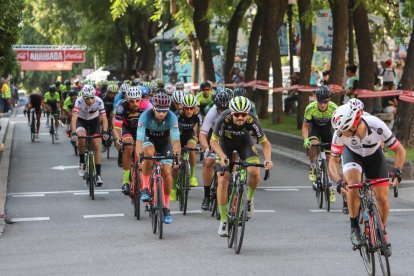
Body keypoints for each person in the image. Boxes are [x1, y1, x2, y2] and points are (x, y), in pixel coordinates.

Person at [329, 103, 406, 253]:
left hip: (374, 156)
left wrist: (397, 171)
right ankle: (354, 228)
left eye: (344, 129)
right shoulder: (339, 134)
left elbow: (400, 150)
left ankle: (381, 232)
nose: (340, 133)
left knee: (383, 199)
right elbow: (333, 161)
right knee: (353, 184)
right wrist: (338, 181)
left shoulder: (376, 125)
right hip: (352, 155)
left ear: (354, 125)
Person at [210, 96, 273, 236]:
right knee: (222, 180)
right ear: (231, 113)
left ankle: (249, 200)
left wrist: (268, 159)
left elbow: (265, 143)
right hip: (225, 145)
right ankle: (224, 221)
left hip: (245, 143)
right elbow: (213, 142)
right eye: (236, 114)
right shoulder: (223, 118)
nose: (240, 117)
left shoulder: (252, 120)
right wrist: (222, 156)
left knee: (254, 171)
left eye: (243, 114)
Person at [135, 92, 181, 224]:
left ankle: (166, 207)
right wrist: (140, 157)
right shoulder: (145, 116)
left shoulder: (172, 117)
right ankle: (145, 187)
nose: (161, 114)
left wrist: (177, 156)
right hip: (149, 138)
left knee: (167, 172)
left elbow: (176, 140)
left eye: (164, 111)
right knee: (148, 153)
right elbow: (139, 139)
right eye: (158, 110)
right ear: (153, 107)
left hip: (164, 141)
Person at [113, 86, 152, 195]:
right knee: (128, 146)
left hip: (142, 129)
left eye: (137, 100)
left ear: (141, 98)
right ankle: (125, 181)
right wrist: (117, 138)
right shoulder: (121, 106)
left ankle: (146, 179)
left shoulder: (147, 106)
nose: (135, 103)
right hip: (127, 128)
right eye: (131, 101)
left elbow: (153, 125)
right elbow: (116, 127)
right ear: (127, 99)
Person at [302, 86, 337, 203]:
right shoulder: (310, 108)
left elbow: (339, 127)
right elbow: (305, 126)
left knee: (329, 160)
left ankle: (330, 186)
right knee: (313, 144)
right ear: (316, 100)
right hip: (314, 129)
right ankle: (312, 165)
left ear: (329, 100)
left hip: (327, 131)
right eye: (320, 101)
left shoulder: (334, 108)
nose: (322, 104)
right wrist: (306, 139)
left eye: (325, 101)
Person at [199, 89, 232, 210]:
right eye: (220, 109)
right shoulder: (211, 112)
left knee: (233, 161)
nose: (223, 111)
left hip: (229, 137)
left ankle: (232, 186)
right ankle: (206, 195)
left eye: (226, 109)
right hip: (214, 137)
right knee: (208, 162)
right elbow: (203, 134)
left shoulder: (234, 112)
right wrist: (207, 148)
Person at [71, 84, 109, 186]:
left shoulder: (99, 101)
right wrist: (74, 132)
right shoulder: (79, 101)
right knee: (81, 139)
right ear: (83, 97)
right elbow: (74, 118)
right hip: (81, 121)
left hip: (94, 121)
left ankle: (98, 175)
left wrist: (105, 131)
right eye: (87, 98)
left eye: (92, 97)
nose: (90, 100)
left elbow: (104, 119)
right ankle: (82, 162)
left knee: (97, 145)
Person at [171, 93, 203, 201]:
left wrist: (199, 140)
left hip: (189, 135)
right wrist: (173, 145)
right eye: (186, 108)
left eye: (191, 108)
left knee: (191, 150)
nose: (189, 111)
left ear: (195, 108)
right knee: (176, 161)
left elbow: (200, 129)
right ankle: (173, 189)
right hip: (178, 135)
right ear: (182, 108)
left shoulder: (198, 114)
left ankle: (193, 176)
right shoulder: (177, 115)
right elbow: (172, 131)